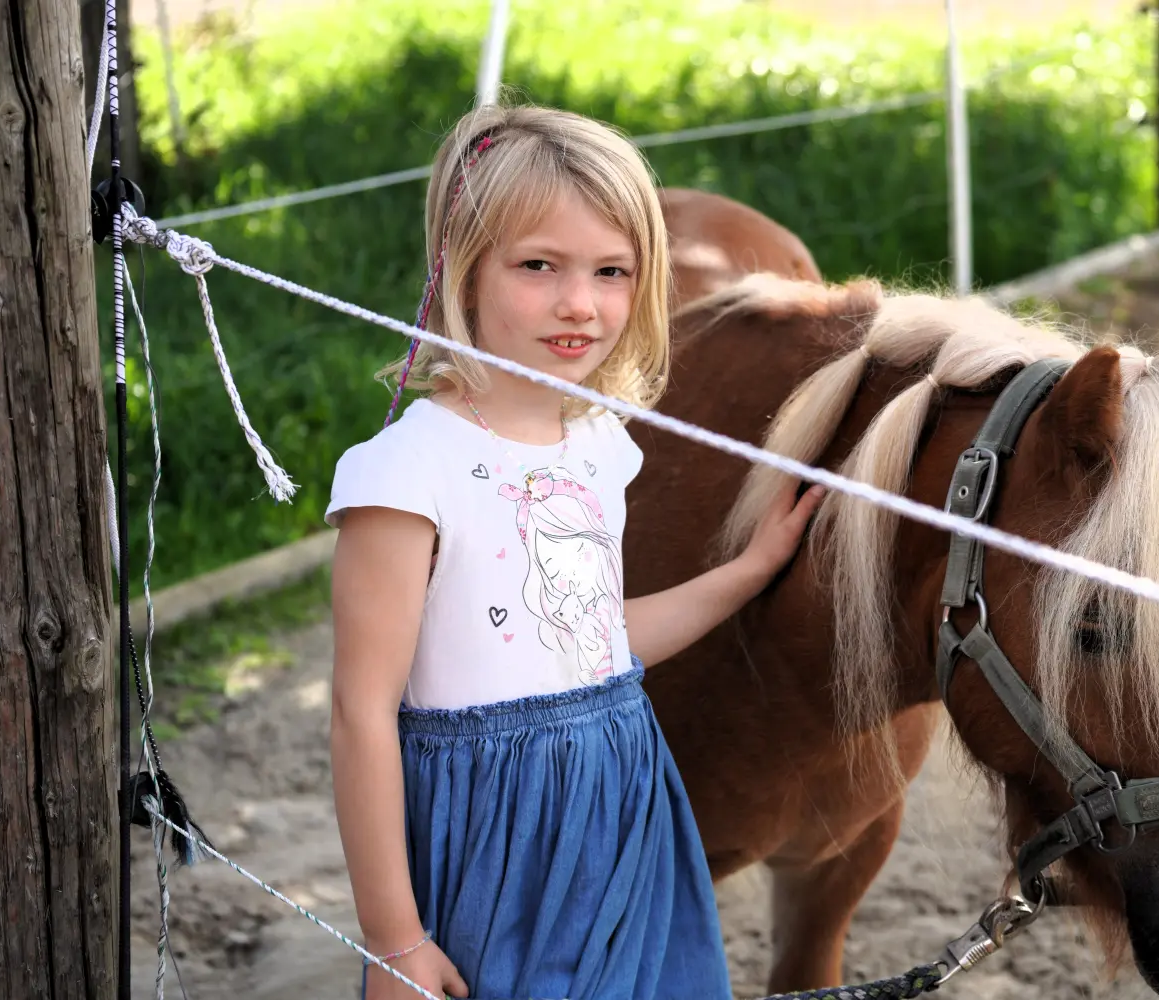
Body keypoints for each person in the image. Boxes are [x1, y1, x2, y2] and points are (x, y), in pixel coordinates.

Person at [325, 101, 824, 1000]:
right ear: (461, 269)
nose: (580, 304)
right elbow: (360, 716)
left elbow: (595, 642)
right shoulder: (403, 471)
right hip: (495, 833)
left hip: (626, 803)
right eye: (538, 267)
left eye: (612, 271)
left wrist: (748, 572)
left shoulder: (600, 445)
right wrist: (393, 940)